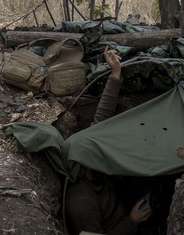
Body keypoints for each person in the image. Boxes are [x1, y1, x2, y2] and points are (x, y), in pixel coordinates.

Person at [65, 47, 153, 235]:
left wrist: (115, 73)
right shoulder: (81, 203)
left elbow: (101, 118)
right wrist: (132, 221)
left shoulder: (90, 162)